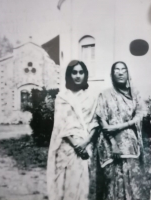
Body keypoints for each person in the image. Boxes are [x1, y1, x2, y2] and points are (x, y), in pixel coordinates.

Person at [91, 61, 144, 200]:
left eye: (123, 70)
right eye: (117, 70)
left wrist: (124, 124)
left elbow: (140, 115)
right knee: (113, 183)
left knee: (132, 183)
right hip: (110, 147)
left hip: (131, 148)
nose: (120, 72)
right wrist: (114, 144)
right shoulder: (105, 94)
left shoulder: (135, 94)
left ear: (128, 74)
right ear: (112, 74)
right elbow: (103, 122)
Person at [47, 60, 98, 200]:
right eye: (74, 72)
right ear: (69, 75)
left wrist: (85, 142)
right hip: (66, 146)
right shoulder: (62, 97)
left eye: (81, 72)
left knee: (81, 186)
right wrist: (75, 144)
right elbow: (60, 124)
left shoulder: (91, 97)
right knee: (65, 185)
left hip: (85, 145)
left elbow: (95, 122)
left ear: (85, 75)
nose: (77, 75)